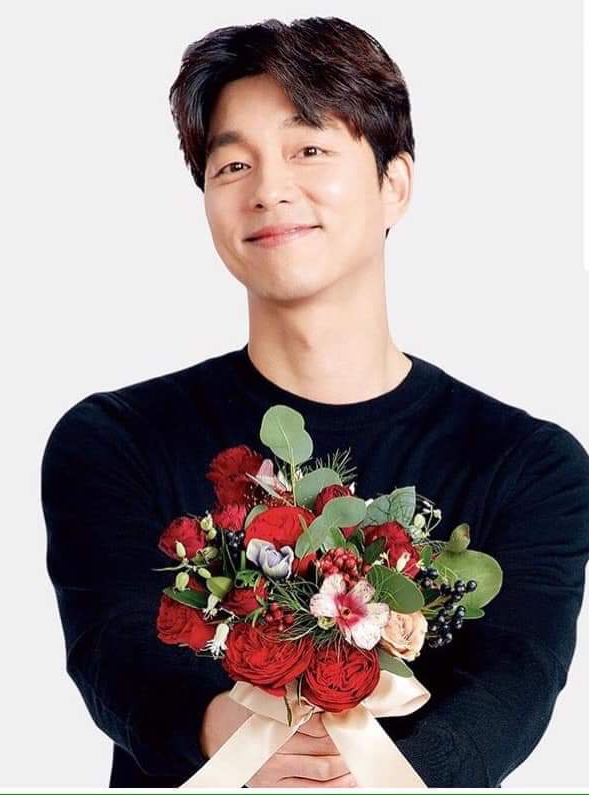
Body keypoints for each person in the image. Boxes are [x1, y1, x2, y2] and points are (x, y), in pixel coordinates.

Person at [41, 15, 589, 789]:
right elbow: (114, 647)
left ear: (394, 184)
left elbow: (516, 679)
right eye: (234, 164)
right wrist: (233, 744)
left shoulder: (530, 463)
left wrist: (368, 775)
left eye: (309, 150)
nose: (269, 189)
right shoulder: (113, 440)